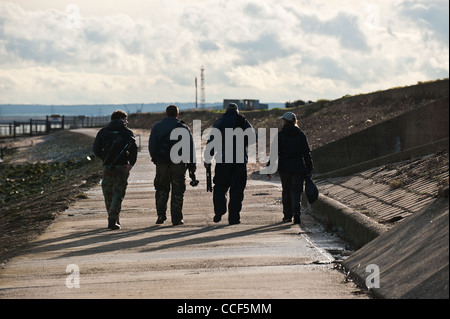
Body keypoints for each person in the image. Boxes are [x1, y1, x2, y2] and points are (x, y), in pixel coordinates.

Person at [205, 103, 255, 225]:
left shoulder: (220, 122)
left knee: (220, 187)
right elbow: (253, 138)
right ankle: (234, 218)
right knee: (237, 190)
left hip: (223, 160)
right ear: (237, 111)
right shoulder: (243, 121)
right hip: (239, 161)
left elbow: (211, 141)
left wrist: (208, 158)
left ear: (226, 111)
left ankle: (220, 210)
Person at [149, 105, 196, 226]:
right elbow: (190, 148)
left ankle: (161, 215)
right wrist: (192, 165)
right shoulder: (184, 128)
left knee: (161, 189)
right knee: (178, 190)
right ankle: (177, 218)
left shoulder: (157, 127)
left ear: (166, 114)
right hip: (179, 164)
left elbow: (152, 146)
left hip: (162, 163)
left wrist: (156, 159)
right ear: (177, 115)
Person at [93, 110, 138, 230]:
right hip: (122, 166)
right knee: (118, 194)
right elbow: (133, 149)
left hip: (108, 167)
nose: (127, 122)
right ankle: (113, 219)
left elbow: (96, 149)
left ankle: (112, 218)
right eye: (125, 119)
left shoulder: (103, 132)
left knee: (108, 194)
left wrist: (105, 159)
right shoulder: (127, 132)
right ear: (120, 119)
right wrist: (131, 164)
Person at [276, 112, 313, 224]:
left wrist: (269, 167)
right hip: (298, 167)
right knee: (296, 191)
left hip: (284, 168)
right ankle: (296, 213)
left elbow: (274, 153)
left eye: (283, 120)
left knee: (286, 191)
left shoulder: (280, 135)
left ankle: (287, 216)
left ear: (285, 121)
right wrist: (309, 167)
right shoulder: (300, 134)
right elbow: (306, 153)